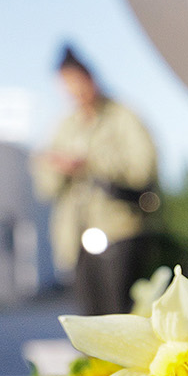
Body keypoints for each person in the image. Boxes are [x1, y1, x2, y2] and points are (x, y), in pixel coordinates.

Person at [33, 44, 160, 315]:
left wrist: (90, 163)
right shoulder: (65, 125)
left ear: (89, 78)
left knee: (119, 314)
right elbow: (44, 185)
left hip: (118, 230)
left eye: (77, 83)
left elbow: (143, 168)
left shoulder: (123, 116)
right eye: (66, 87)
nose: (74, 92)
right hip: (77, 234)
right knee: (89, 321)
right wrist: (60, 167)